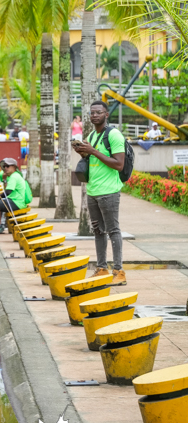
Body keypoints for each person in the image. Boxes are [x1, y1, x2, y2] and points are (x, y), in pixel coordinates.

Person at [73, 101, 127, 285]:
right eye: (92, 112)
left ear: (106, 114)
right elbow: (92, 158)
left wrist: (93, 151)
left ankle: (119, 271)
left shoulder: (113, 135)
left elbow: (119, 164)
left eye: (98, 112)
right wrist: (83, 152)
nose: (94, 115)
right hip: (93, 190)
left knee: (113, 230)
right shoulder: (91, 135)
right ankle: (102, 268)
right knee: (98, 231)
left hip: (109, 191)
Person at [0, 159, 31, 234]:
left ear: (14, 167)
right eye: (4, 166)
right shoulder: (6, 174)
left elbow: (7, 192)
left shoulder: (14, 176)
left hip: (17, 202)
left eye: (7, 166)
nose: (5, 168)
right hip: (11, 199)